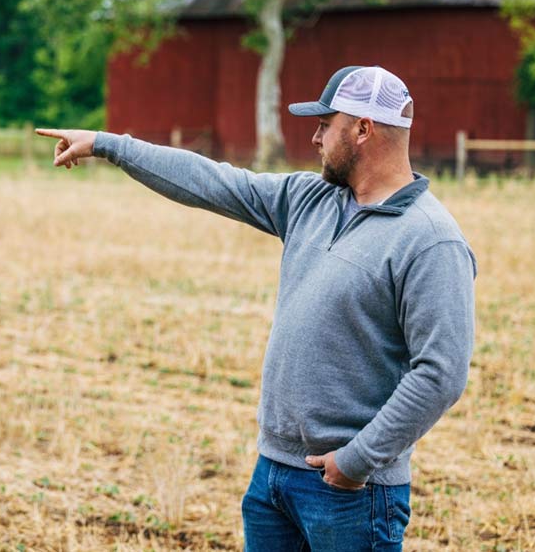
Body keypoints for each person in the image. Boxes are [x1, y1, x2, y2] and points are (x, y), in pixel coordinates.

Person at [36, 65, 476, 551]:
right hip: (272, 476)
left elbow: (441, 372)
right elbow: (213, 181)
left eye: (324, 125)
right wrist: (108, 144)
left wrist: (358, 460)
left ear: (363, 130)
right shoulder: (311, 200)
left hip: (353, 492)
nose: (314, 137)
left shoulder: (431, 241)